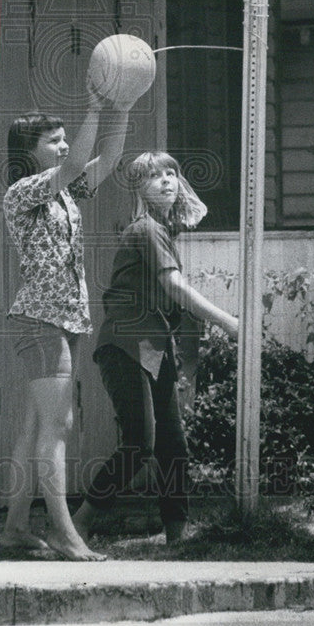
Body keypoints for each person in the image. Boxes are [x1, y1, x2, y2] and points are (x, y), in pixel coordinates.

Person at [71, 151, 239, 545]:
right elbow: (175, 288)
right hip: (125, 345)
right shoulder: (146, 229)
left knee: (173, 446)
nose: (165, 181)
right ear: (139, 188)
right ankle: (80, 522)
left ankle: (178, 536)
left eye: (171, 173)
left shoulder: (162, 230)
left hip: (153, 346)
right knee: (140, 442)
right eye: (153, 176)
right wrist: (228, 321)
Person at [0, 91, 130, 561]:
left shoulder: (64, 194)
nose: (61, 146)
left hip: (64, 317)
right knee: (60, 424)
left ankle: (15, 528)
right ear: (28, 149)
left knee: (35, 426)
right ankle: (64, 533)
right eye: (52, 140)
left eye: (62, 139)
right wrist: (93, 110)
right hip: (41, 320)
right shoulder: (24, 191)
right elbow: (74, 166)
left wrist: (123, 105)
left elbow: (109, 158)